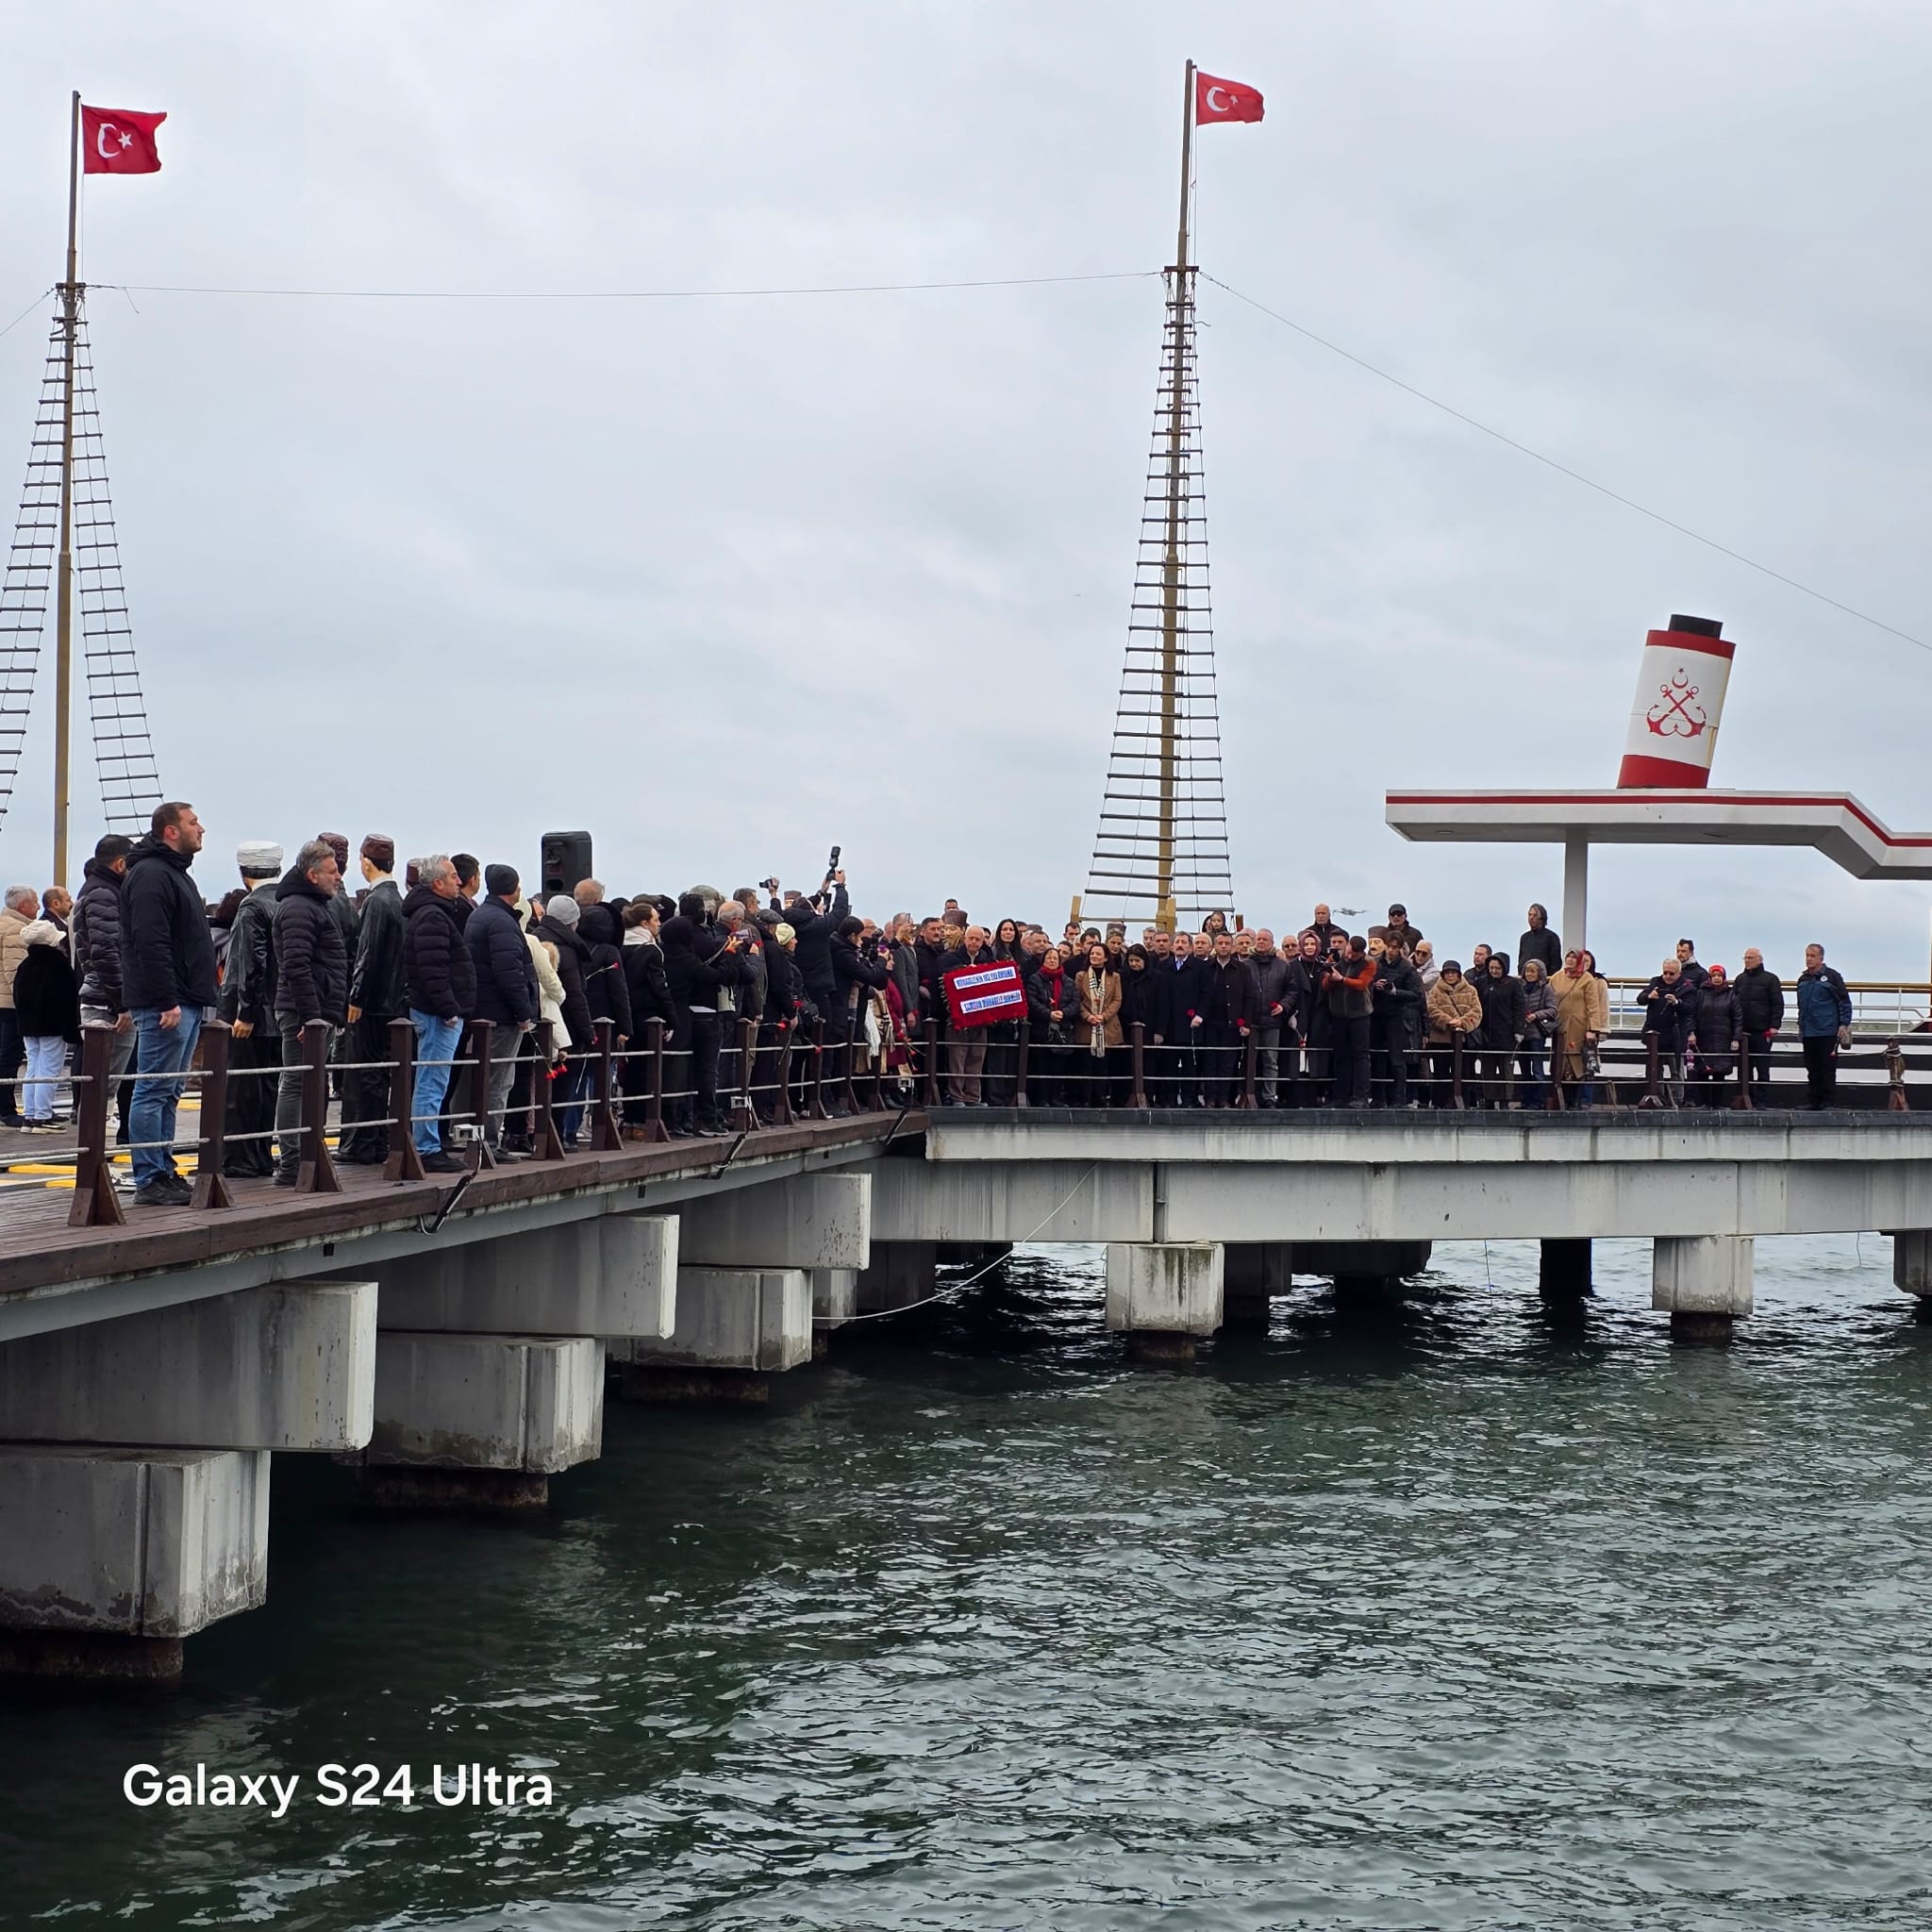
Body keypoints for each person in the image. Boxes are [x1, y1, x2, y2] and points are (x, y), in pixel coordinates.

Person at [122, 802, 217, 1206]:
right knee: (153, 1089)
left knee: (170, 1090)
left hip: (185, 998)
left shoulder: (174, 874)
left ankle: (162, 1167)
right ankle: (149, 1176)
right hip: (168, 1001)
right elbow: (151, 940)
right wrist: (165, 999)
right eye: (194, 822)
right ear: (171, 831)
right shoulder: (151, 875)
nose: (202, 828)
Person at [271, 838, 350, 1184]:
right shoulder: (300, 908)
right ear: (313, 875)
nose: (338, 877)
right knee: (295, 1082)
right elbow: (296, 965)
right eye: (332, 872)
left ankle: (305, 1153)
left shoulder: (313, 905)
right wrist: (311, 1015)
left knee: (309, 1082)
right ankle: (292, 1160)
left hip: (317, 1009)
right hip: (305, 1012)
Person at [215, 841, 285, 1178]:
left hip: (250, 1015)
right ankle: (261, 1153)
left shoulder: (251, 908)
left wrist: (244, 1012)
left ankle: (239, 1158)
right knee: (268, 1087)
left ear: (244, 873)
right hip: (278, 1012)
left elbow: (249, 964)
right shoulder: (284, 903)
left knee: (240, 1090)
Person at [403, 856, 475, 1174]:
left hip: (434, 1010)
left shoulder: (431, 913)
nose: (459, 881)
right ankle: (427, 1148)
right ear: (437, 883)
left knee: (432, 1079)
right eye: (454, 876)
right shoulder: (432, 917)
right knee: (432, 1080)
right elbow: (433, 968)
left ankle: (427, 1143)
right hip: (435, 1014)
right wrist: (449, 1008)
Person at [464, 863, 539, 1158]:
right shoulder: (503, 922)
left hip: (482, 1008)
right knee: (499, 1079)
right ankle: (489, 1142)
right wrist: (524, 1013)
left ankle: (480, 1138)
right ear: (515, 890)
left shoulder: (478, 916)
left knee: (487, 1076)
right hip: (502, 1014)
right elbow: (510, 972)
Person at [340, 836, 405, 1164]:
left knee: (364, 1074)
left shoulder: (376, 901)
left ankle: (361, 1144)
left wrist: (356, 996)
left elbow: (368, 953)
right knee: (381, 1075)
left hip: (372, 1004)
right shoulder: (397, 899)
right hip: (393, 1001)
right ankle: (378, 1140)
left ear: (366, 862)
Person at [73, 834, 133, 1144]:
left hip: (103, 996)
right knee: (103, 1084)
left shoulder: (96, 891)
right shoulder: (104, 895)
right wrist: (122, 1003)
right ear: (121, 863)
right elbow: (106, 951)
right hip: (107, 1001)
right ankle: (92, 1156)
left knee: (103, 1082)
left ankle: (93, 1153)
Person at [537, 893, 599, 1145]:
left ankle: (536, 1131)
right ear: (573, 922)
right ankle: (557, 1134)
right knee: (564, 1083)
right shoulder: (569, 950)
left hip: (539, 1021)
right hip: (563, 1026)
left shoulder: (536, 938)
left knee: (536, 1081)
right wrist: (588, 1031)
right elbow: (574, 994)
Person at [11, 918, 78, 1128]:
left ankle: (30, 1113)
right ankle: (42, 1115)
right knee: (49, 1069)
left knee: (33, 1067)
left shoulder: (25, 965)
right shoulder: (58, 965)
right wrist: (72, 1030)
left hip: (29, 1025)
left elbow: (17, 997)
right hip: (53, 1026)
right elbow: (66, 1000)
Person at [1195, 931, 1255, 1106]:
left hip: (1232, 1023)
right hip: (1210, 1022)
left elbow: (1248, 997)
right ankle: (1210, 1098)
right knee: (1210, 1061)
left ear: (1233, 946)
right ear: (1214, 945)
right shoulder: (1206, 967)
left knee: (1228, 1063)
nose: (1223, 946)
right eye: (1220, 943)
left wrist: (1246, 1022)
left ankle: (1224, 1098)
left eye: (1227, 943)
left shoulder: (1242, 969)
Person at [939, 924, 995, 1105]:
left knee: (977, 1058)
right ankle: (957, 1096)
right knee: (957, 1058)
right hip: (957, 1018)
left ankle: (973, 1096)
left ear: (983, 941)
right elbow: (942, 980)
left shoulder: (987, 959)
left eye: (978, 939)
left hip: (980, 1018)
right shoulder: (950, 958)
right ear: (964, 939)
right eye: (971, 938)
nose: (974, 942)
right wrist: (964, 970)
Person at [1795, 941, 1853, 1109]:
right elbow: (1801, 1006)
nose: (1809, 959)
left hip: (1828, 1030)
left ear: (1821, 958)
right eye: (1807, 955)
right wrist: (1801, 1026)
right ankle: (1814, 1101)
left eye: (1812, 956)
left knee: (1826, 1068)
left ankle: (1828, 1102)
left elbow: (1844, 1001)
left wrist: (1844, 1023)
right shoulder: (1803, 979)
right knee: (1812, 1068)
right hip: (1809, 1031)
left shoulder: (1833, 977)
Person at [1322, 936, 1376, 1108]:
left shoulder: (1369, 963)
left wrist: (1342, 980)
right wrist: (1330, 979)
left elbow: (1362, 984)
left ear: (1361, 953)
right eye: (1348, 952)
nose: (1349, 956)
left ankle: (1361, 1096)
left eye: (1354, 954)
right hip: (1338, 1014)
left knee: (1361, 1056)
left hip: (1360, 1015)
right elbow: (1324, 985)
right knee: (1341, 1056)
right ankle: (1341, 1096)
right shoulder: (1336, 959)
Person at [1150, 929, 1204, 1107]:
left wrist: (1200, 1015)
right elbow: (1157, 997)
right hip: (1169, 1025)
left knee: (1190, 1066)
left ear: (1190, 946)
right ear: (1173, 946)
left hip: (1191, 1025)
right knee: (1169, 1065)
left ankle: (1189, 1099)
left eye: (1184, 942)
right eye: (1177, 942)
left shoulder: (1200, 967)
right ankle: (1169, 1099)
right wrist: (1159, 1028)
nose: (1180, 945)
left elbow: (1207, 994)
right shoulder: (1163, 966)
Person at [1549, 950, 1609, 1107]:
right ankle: (1562, 1100)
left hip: (1580, 1028)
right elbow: (1550, 999)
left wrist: (1593, 1029)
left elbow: (1593, 1005)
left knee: (1579, 1064)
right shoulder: (1557, 977)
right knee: (1560, 1064)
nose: (1570, 959)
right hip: (1560, 1028)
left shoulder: (1587, 978)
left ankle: (1579, 1102)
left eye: (1573, 957)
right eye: (1568, 956)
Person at [1372, 937, 1422, 1108]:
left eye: (1395, 947)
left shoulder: (1407, 967)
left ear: (1400, 948)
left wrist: (1395, 992)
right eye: (1389, 947)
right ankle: (1379, 1098)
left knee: (1397, 1059)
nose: (1391, 951)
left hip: (1396, 1016)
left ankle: (1398, 1099)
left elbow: (1416, 994)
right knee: (1377, 1057)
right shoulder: (1376, 963)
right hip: (1376, 1015)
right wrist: (1374, 986)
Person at [0, 883, 35, 1124]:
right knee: (10, 1056)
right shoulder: (16, 930)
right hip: (10, 1004)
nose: (38, 905)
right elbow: (15, 971)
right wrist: (27, 1002)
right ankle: (6, 1110)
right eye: (35, 900)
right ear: (23, 905)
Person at [1734, 946, 1786, 1107]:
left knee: (1762, 1067)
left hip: (1762, 1031)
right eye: (1745, 958)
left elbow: (1777, 1004)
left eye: (1750, 958)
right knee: (1744, 1068)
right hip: (1743, 1031)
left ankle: (1762, 1100)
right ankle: (1745, 1098)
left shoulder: (1770, 979)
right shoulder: (1740, 980)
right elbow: (1733, 1004)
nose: (1747, 961)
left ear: (1759, 960)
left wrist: (1774, 1026)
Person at [1425, 960, 1482, 1106]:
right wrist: (1447, 1021)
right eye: (1447, 972)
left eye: (1453, 972)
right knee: (1440, 1072)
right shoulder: (1435, 991)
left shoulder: (1470, 990)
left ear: (1459, 974)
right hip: (1440, 1039)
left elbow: (1476, 1011)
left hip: (1463, 1039)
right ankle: (1440, 1103)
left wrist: (1462, 1022)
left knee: (1464, 1073)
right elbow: (1431, 1009)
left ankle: (1464, 1102)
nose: (1450, 975)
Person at [1247, 929, 1292, 1107]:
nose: (1261, 942)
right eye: (1259, 939)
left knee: (1270, 1061)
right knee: (1249, 1061)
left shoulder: (1282, 966)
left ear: (1272, 942)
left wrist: (1283, 1005)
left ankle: (1269, 1097)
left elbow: (1292, 990)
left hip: (1272, 1021)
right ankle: (1249, 1095)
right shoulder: (1246, 964)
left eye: (1265, 939)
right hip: (1250, 1022)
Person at [1686, 963, 1742, 1106]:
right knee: (1702, 1071)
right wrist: (1691, 1032)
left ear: (1724, 977)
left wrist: (1736, 1038)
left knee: (1719, 1072)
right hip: (1703, 1038)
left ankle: (1717, 1103)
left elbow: (1737, 1018)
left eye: (1719, 976)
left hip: (1722, 1040)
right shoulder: (1700, 994)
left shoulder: (1731, 996)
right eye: (1714, 975)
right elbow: (1691, 1015)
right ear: (1710, 977)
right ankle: (1704, 1103)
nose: (1717, 978)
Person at [1474, 953, 1526, 1107]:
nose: (1494, 971)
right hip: (1486, 1034)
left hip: (1507, 1034)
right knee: (1487, 1070)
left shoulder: (1513, 984)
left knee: (1507, 1070)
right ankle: (1489, 1099)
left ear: (1504, 968)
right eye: (1491, 967)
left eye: (1497, 968)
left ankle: (1505, 1100)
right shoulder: (1482, 983)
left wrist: (1519, 1031)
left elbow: (1519, 1008)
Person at [1641, 958, 1694, 1105]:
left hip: (1675, 1036)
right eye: (1665, 973)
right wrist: (1649, 996)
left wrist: (1677, 1003)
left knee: (1676, 1070)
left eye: (1671, 973)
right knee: (1654, 1070)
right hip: (1655, 1034)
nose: (1668, 976)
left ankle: (1677, 1100)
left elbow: (1691, 1008)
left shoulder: (1687, 987)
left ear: (1679, 973)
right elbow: (1640, 999)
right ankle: (1658, 1098)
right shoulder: (1655, 983)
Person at [1074, 941, 1122, 1106]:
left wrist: (1104, 1016)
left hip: (1106, 1027)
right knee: (1085, 1065)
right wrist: (1088, 1016)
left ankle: (1100, 1098)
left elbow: (1117, 999)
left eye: (1098, 954)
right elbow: (1076, 1000)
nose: (1094, 956)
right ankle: (1085, 1099)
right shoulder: (1081, 976)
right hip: (1087, 1026)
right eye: (1092, 953)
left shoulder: (1114, 977)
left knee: (1103, 1066)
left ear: (1106, 958)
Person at [1518, 957, 1557, 1106]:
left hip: (1536, 1034)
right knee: (1524, 1069)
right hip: (1522, 1034)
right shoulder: (1520, 988)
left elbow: (1553, 1010)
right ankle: (1525, 1101)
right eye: (1527, 971)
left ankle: (1538, 1102)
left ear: (1540, 973)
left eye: (1533, 971)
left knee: (1537, 1069)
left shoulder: (1546, 989)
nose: (1529, 974)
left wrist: (1536, 1015)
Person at [1518, 905, 1562, 978]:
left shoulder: (1551, 937)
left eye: (1535, 915)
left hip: (1544, 981)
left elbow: (1556, 963)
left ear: (1542, 918)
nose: (1531, 918)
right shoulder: (1524, 937)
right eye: (1530, 915)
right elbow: (1520, 959)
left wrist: (1547, 978)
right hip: (1524, 980)